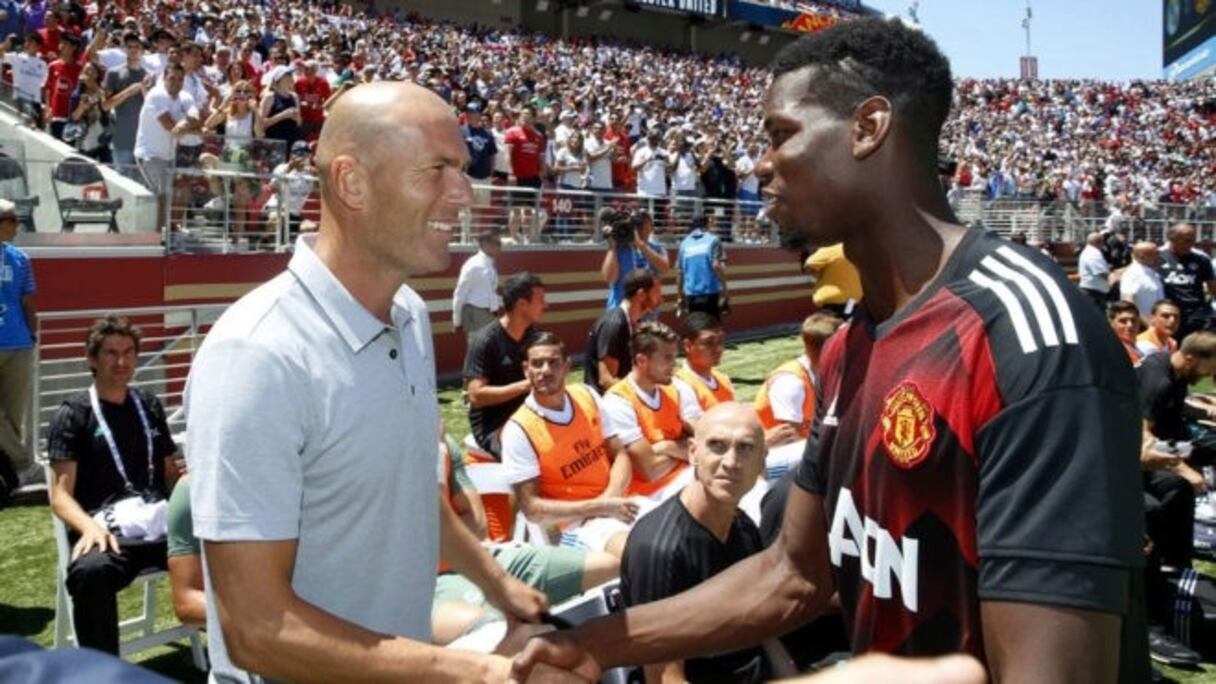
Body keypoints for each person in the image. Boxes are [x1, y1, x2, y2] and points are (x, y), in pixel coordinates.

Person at [514, 18, 1147, 684]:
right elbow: (793, 573)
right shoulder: (850, 347)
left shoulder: (1028, 335)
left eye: (782, 135)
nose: (761, 163)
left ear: (868, 128)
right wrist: (592, 645)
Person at [184, 82, 550, 682]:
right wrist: (473, 672)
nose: (463, 194)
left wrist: (498, 582)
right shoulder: (256, 355)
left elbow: (407, 490)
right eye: (437, 169)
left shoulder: (409, 315)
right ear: (352, 182)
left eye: (462, 169)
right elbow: (256, 629)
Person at [47, 316, 181, 655]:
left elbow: (169, 473)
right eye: (110, 353)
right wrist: (88, 527)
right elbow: (60, 496)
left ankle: (239, 659)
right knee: (90, 573)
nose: (121, 361)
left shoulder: (149, 405)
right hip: (107, 533)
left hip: (158, 526)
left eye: (129, 352)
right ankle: (103, 672)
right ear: (92, 359)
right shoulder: (73, 414)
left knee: (225, 549)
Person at [621, 402, 769, 684]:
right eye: (717, 445)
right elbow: (663, 676)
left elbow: (763, 631)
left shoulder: (744, 527)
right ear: (692, 453)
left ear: (763, 460)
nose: (731, 461)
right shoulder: (659, 549)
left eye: (746, 448)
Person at [502, 331, 637, 556]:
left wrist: (609, 499)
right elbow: (532, 509)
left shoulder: (587, 395)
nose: (545, 370)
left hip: (619, 502)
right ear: (526, 370)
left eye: (553, 362)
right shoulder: (519, 430)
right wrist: (600, 507)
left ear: (567, 366)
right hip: (577, 526)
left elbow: (621, 455)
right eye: (537, 364)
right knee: (639, 553)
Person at [1136, 331, 1215, 668]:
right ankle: (1149, 622)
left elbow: (1174, 408)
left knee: (1176, 491)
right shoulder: (1158, 381)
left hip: (1146, 453)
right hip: (1121, 459)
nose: (1210, 377)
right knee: (1155, 505)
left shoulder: (1175, 371)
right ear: (1193, 359)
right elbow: (1142, 441)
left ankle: (1175, 570)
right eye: (1211, 369)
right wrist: (1185, 469)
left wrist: (1204, 411)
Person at [603, 321, 700, 501]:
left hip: (688, 476)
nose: (675, 365)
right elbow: (650, 470)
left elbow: (705, 442)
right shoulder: (617, 402)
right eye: (667, 358)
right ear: (641, 361)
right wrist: (686, 450)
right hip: (651, 494)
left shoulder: (677, 388)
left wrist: (665, 447)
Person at [463, 271, 545, 460]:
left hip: (527, 415)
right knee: (533, 456)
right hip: (494, 425)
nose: (545, 304)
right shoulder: (485, 340)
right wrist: (526, 385)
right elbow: (476, 396)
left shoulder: (533, 335)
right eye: (540, 299)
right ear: (522, 305)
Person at [754, 313, 842, 445]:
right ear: (831, 349)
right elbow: (790, 438)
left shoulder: (827, 374)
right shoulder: (790, 383)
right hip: (775, 455)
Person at [0, 200, 36, 500]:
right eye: (12, 220)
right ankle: (25, 462)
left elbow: (27, 301)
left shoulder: (21, 258)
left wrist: (32, 335)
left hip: (19, 344)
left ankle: (10, 475)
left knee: (13, 416)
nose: (17, 226)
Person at [134, 62, 199, 223]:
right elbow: (169, 126)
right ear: (164, 78)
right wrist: (190, 125)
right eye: (172, 78)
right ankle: (158, 239)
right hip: (149, 155)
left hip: (169, 157)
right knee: (160, 197)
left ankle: (163, 236)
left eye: (180, 79)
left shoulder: (186, 96)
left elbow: (196, 119)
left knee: (166, 197)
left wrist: (184, 124)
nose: (176, 82)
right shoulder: (156, 95)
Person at [584, 269, 661, 392]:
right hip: (605, 403)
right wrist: (640, 396)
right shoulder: (615, 324)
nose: (661, 299)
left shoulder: (635, 323)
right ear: (641, 295)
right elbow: (606, 380)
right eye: (657, 293)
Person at [101, 32, 151, 178]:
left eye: (137, 46)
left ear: (142, 50)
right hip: (121, 139)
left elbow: (151, 108)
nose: (133, 50)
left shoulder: (148, 75)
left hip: (143, 141)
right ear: (125, 49)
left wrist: (144, 89)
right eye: (129, 47)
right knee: (123, 182)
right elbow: (105, 105)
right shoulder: (114, 73)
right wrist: (129, 91)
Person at [601, 209, 670, 310]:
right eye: (637, 224)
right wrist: (612, 247)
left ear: (651, 227)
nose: (641, 227)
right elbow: (609, 278)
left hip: (647, 315)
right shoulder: (619, 249)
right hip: (620, 313)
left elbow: (664, 268)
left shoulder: (658, 249)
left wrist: (641, 246)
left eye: (645, 223)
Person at [1158, 222, 1216, 340]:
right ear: (1172, 239)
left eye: (1193, 240)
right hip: (1171, 315)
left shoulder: (1201, 259)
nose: (1191, 244)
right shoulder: (1157, 258)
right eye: (1186, 240)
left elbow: (1213, 288)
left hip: (1197, 314)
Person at [672, 312, 734, 411]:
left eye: (721, 341)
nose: (718, 348)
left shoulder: (724, 380)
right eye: (709, 343)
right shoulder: (680, 385)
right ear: (688, 345)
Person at [451, 230, 502, 341]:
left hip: (486, 314)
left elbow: (490, 293)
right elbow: (460, 294)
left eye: (500, 243)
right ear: (485, 244)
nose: (500, 247)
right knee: (479, 351)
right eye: (497, 243)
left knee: (486, 351)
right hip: (476, 313)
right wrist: (457, 321)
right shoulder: (474, 265)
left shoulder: (487, 263)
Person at [676, 214, 726, 319]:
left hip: (691, 294)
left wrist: (679, 296)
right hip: (710, 292)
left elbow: (680, 272)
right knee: (712, 328)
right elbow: (716, 266)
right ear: (707, 225)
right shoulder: (714, 240)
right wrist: (725, 290)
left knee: (696, 327)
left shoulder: (684, 243)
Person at [0, 33, 49, 127]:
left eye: (31, 42)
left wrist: (45, 107)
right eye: (26, 41)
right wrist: (6, 43)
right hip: (19, 100)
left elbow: (43, 86)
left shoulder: (43, 64)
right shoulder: (16, 57)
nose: (27, 44)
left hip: (35, 103)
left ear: (38, 46)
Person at [804, 243, 862, 318]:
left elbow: (809, 265)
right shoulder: (857, 249)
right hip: (852, 300)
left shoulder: (830, 250)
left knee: (831, 325)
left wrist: (817, 275)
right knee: (847, 321)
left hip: (832, 300)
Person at [1119, 241, 1164, 325]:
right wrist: (1148, 324)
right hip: (1142, 327)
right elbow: (1128, 301)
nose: (1159, 256)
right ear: (1142, 256)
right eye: (1155, 253)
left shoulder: (1151, 273)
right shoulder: (1133, 274)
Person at [1077, 231, 1111, 310]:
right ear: (1100, 242)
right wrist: (1114, 279)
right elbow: (1101, 273)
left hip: (1094, 291)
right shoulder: (1093, 254)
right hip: (1094, 292)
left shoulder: (1089, 252)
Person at [1108, 300, 1142, 366]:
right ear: (1111, 324)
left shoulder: (1139, 349)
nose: (1130, 325)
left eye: (1133, 320)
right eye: (1123, 321)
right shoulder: (1113, 351)